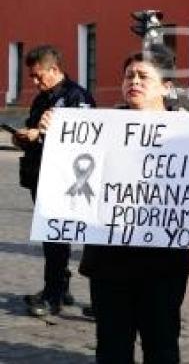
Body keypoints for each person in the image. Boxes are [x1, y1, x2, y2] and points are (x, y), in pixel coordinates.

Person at [74, 45, 189, 363]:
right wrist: (51, 133)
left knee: (161, 347)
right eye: (128, 75)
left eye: (143, 76)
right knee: (111, 348)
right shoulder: (100, 126)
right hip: (109, 262)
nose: (133, 81)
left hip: (163, 265)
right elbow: (71, 173)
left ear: (167, 86)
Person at [12, 45, 95, 317]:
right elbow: (34, 130)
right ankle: (60, 287)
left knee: (59, 237)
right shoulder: (41, 99)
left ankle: (54, 295)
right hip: (41, 175)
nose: (35, 82)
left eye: (38, 76)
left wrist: (44, 135)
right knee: (52, 239)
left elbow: (86, 140)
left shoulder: (77, 96)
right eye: (32, 77)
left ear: (55, 69)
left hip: (69, 181)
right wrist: (22, 137)